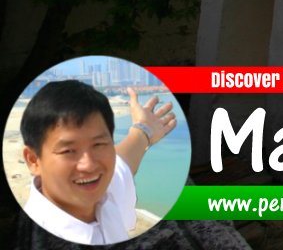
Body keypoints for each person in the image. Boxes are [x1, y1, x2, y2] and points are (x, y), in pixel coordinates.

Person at [20, 80, 177, 244]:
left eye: (98, 144)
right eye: (68, 151)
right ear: (33, 160)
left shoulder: (104, 193)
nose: (88, 165)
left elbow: (124, 161)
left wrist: (144, 129)